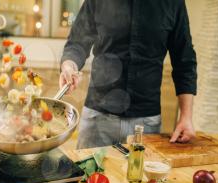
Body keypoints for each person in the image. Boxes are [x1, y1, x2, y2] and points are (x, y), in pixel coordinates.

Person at [59, 0, 197, 149]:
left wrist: (186, 116)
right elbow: (77, 42)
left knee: (139, 172)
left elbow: (184, 60)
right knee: (88, 172)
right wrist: (69, 65)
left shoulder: (173, 3)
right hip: (97, 119)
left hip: (146, 124)